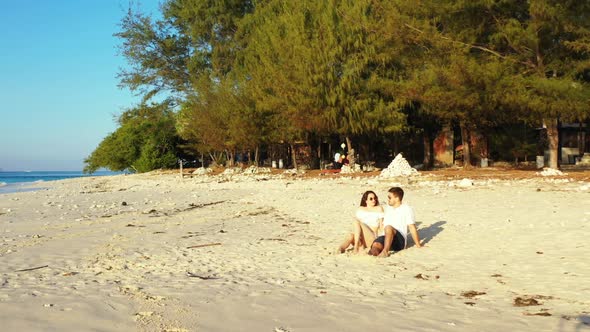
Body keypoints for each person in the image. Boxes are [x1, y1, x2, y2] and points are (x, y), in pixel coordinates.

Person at [369, 187, 422, 257]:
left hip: (399, 240)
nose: (388, 199)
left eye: (389, 197)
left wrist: (418, 245)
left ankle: (385, 251)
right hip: (386, 236)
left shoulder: (406, 209)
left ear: (397, 198)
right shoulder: (388, 208)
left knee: (388, 227)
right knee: (375, 247)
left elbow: (412, 227)